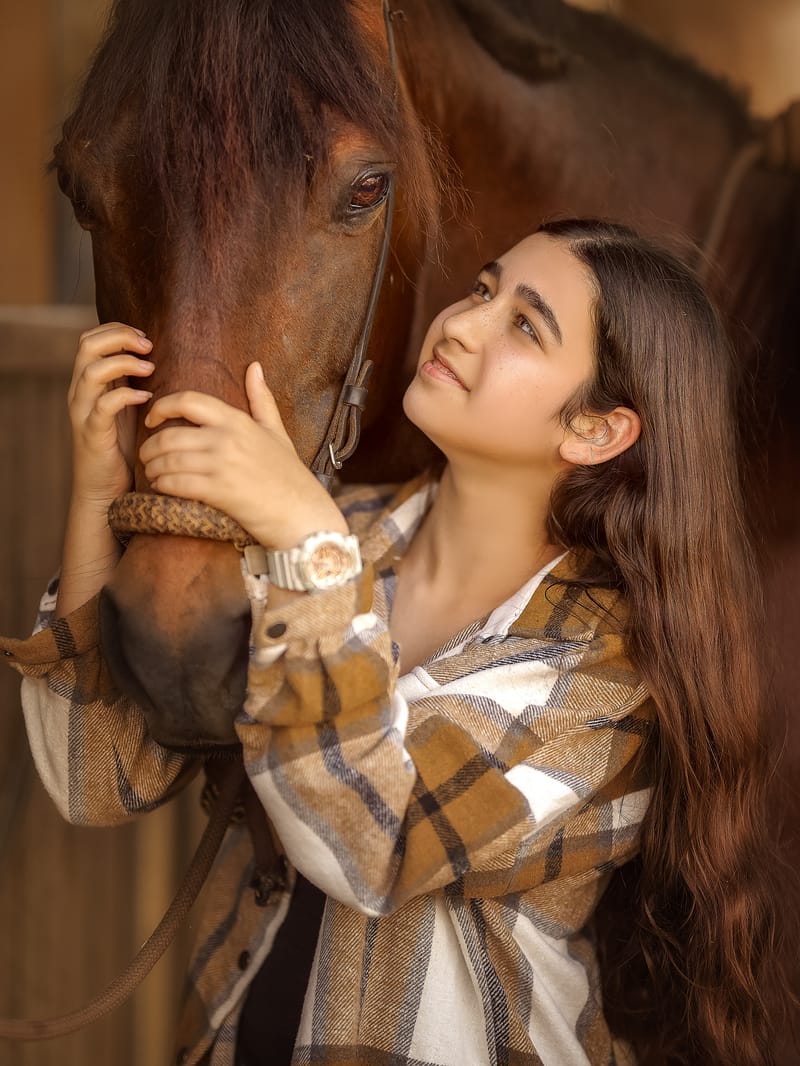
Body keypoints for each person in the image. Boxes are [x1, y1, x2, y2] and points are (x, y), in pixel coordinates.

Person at [0, 219, 788, 1065]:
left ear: (595, 432)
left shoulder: (607, 680)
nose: (462, 321)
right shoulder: (332, 537)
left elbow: (370, 842)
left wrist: (303, 539)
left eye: (524, 325)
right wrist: (98, 495)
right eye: (483, 289)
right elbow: (98, 775)